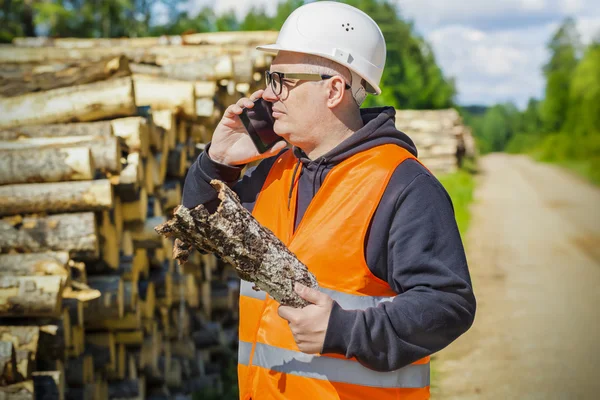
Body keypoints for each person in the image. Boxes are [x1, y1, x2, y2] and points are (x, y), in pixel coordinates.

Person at [182, 2, 476, 399]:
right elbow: (197, 227)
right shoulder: (275, 171)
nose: (268, 94)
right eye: (270, 78)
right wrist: (217, 162)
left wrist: (345, 331)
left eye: (282, 79)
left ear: (334, 89)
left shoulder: (402, 184)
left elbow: (447, 303)